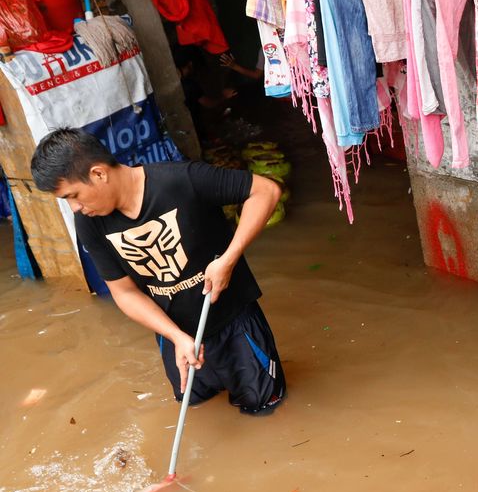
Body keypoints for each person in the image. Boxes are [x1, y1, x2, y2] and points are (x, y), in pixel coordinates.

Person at [30, 128, 286, 415]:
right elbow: (123, 292)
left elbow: (266, 191)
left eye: (73, 195)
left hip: (235, 325)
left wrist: (229, 258)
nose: (75, 207)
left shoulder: (181, 180)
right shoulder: (90, 224)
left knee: (263, 409)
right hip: (173, 336)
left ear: (99, 174)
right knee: (198, 411)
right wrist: (175, 336)